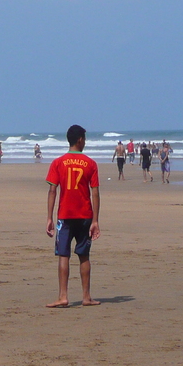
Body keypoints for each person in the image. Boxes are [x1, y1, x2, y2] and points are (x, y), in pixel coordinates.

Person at [45, 125, 101, 308]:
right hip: (85, 215)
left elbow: (52, 191)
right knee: (84, 255)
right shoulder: (91, 164)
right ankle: (86, 296)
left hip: (65, 216)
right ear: (79, 140)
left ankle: (63, 296)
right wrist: (95, 220)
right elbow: (95, 194)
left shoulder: (58, 162)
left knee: (63, 255)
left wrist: (49, 217)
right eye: (84, 139)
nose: (85, 142)